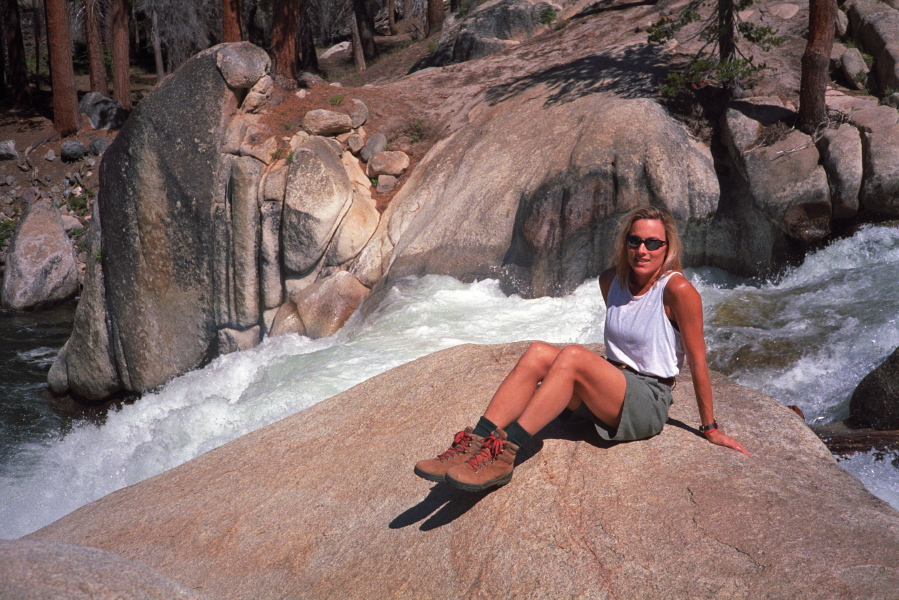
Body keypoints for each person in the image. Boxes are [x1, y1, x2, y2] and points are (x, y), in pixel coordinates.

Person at [414, 205, 750, 492]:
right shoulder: (611, 281)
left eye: (653, 243)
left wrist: (710, 428)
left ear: (667, 247)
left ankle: (503, 454)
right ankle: (475, 442)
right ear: (626, 243)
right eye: (635, 241)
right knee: (538, 353)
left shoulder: (677, 290)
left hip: (646, 400)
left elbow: (698, 362)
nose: (642, 250)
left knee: (573, 356)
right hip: (607, 390)